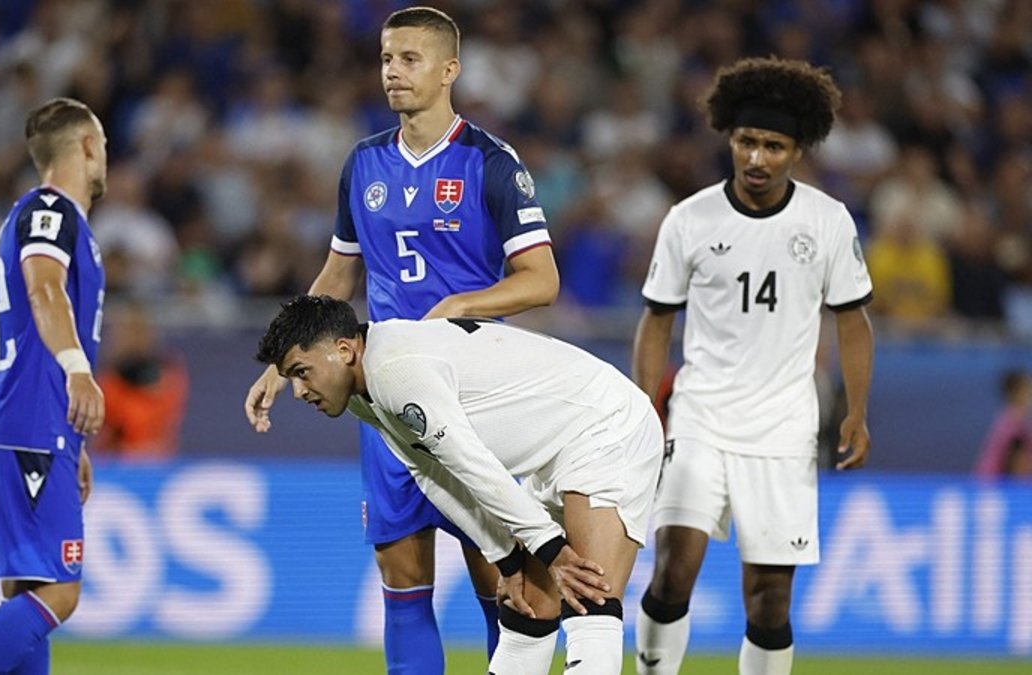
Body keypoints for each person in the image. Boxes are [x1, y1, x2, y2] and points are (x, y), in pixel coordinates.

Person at [242, 7, 559, 673]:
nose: (393, 70)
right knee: (402, 576)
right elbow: (337, 273)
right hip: (385, 399)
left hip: (471, 391)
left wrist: (465, 302)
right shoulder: (364, 163)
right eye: (387, 57)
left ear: (450, 70)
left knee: (499, 578)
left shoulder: (490, 163)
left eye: (411, 58)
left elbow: (541, 279)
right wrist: (282, 359)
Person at [257, 295, 662, 674]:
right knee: (528, 610)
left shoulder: (394, 370)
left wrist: (549, 549)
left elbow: (472, 464)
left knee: (587, 596)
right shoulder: (364, 392)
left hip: (607, 427)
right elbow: (432, 474)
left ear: (343, 350)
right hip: (555, 452)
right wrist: (506, 557)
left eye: (301, 372)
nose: (298, 391)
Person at [631, 58, 875, 675]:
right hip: (701, 416)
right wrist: (641, 410)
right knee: (672, 570)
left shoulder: (826, 221)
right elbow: (657, 318)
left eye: (774, 145)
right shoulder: (690, 220)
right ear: (728, 139)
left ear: (798, 151)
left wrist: (856, 412)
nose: (757, 158)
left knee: (769, 601)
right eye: (746, 142)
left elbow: (853, 319)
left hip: (784, 427)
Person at [0, 97, 108, 674]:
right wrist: (78, 369)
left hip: (35, 425)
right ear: (88, 146)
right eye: (103, 144)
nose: (104, 156)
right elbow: (44, 291)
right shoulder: (49, 210)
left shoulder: (56, 219)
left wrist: (77, 438)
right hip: (29, 424)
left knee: (26, 592)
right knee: (59, 593)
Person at [94, 301, 188, 460]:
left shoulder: (168, 375)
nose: (131, 339)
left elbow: (149, 423)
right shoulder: (105, 382)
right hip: (112, 466)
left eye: (137, 331)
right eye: (124, 332)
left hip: (155, 465)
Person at [975, 369, 1032, 479]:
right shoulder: (1012, 426)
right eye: (1028, 388)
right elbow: (1018, 469)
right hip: (997, 490)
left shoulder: (1010, 422)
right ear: (1016, 392)